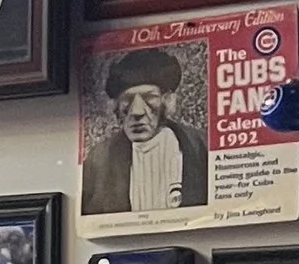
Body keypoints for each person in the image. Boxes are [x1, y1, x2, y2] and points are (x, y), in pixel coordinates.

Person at [81, 45, 208, 217]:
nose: (137, 111)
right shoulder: (100, 159)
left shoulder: (201, 147)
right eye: (127, 100)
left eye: (149, 98)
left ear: (168, 101)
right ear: (116, 106)